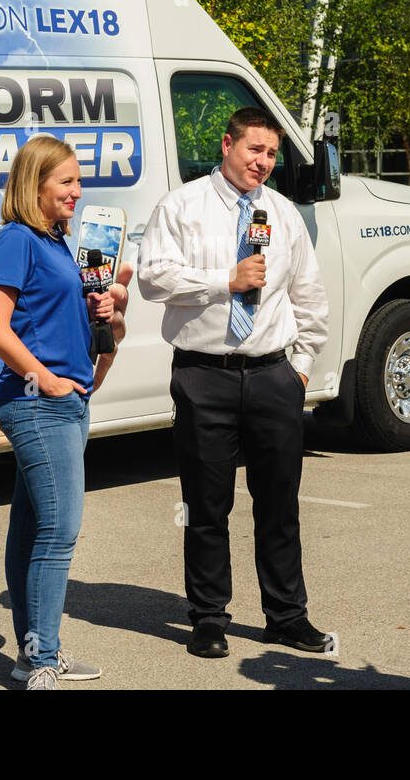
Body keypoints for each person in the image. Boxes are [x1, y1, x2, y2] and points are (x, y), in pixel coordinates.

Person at [138, 106, 330, 659]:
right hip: (205, 377)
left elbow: (308, 294)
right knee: (206, 505)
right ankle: (208, 618)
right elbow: (153, 278)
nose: (263, 163)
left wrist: (301, 367)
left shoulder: (284, 213)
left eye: (271, 154)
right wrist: (225, 279)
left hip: (273, 375)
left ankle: (287, 616)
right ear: (227, 145)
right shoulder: (183, 206)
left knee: (279, 504)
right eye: (254, 150)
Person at [0, 133, 128, 690]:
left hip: (67, 403)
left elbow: (86, 335)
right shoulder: (16, 240)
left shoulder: (60, 243)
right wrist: (44, 378)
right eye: (65, 181)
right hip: (39, 405)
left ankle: (32, 653)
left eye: (78, 180)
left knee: (32, 530)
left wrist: (108, 312)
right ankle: (42, 660)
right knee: (60, 532)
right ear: (33, 184)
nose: (77, 190)